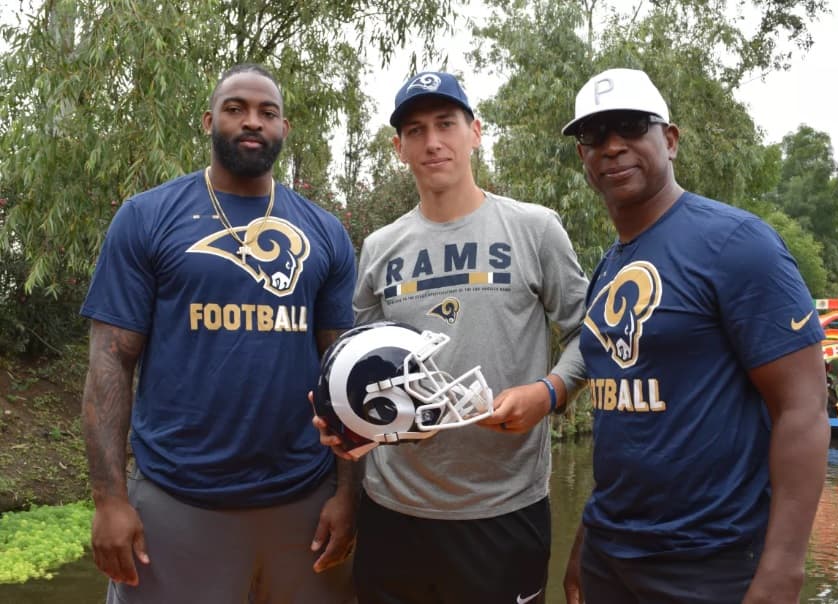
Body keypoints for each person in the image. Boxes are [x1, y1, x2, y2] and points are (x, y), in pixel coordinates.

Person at [80, 63, 357, 604]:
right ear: (209, 120)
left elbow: (342, 371)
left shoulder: (326, 232)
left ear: (284, 129)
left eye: (266, 112)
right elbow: (111, 362)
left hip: (301, 502)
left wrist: (350, 496)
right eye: (235, 109)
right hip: (177, 500)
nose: (251, 121)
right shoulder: (147, 217)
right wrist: (108, 499)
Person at [314, 71, 589, 603]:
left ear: (476, 132)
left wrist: (551, 391)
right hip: (393, 509)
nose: (432, 141)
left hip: (505, 509)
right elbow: (357, 364)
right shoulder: (379, 247)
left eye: (446, 124)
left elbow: (590, 337)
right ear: (399, 148)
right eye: (415, 131)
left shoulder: (535, 229)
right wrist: (343, 424)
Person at [560, 67, 830, 604]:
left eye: (633, 126)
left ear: (671, 139)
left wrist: (782, 570)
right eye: (595, 135)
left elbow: (803, 409)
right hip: (611, 555)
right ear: (583, 157)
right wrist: (587, 540)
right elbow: (621, 416)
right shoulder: (608, 267)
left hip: (712, 562)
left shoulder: (737, 245)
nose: (613, 147)